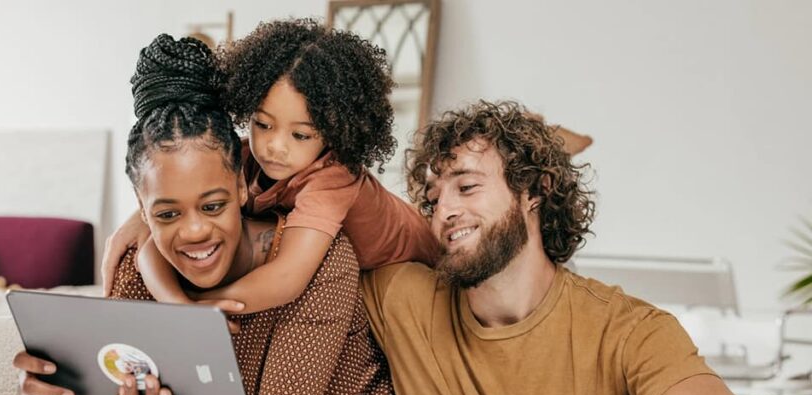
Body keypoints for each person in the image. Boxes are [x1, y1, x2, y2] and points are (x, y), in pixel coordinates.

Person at [361, 100, 782, 395]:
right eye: (433, 200)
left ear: (535, 191)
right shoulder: (405, 300)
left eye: (466, 187)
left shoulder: (625, 327)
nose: (444, 211)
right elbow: (339, 200)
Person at [13, 34, 393, 395]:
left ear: (241, 186)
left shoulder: (323, 257)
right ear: (141, 209)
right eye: (167, 214)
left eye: (213, 206)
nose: (194, 232)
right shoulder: (139, 265)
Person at [100, 18, 594, 315]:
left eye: (301, 135)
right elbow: (161, 221)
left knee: (516, 242)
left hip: (424, 252)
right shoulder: (248, 162)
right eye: (263, 125)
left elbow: (287, 280)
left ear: (333, 133)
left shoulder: (330, 178)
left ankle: (543, 142)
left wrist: (200, 310)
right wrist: (139, 220)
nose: (275, 148)